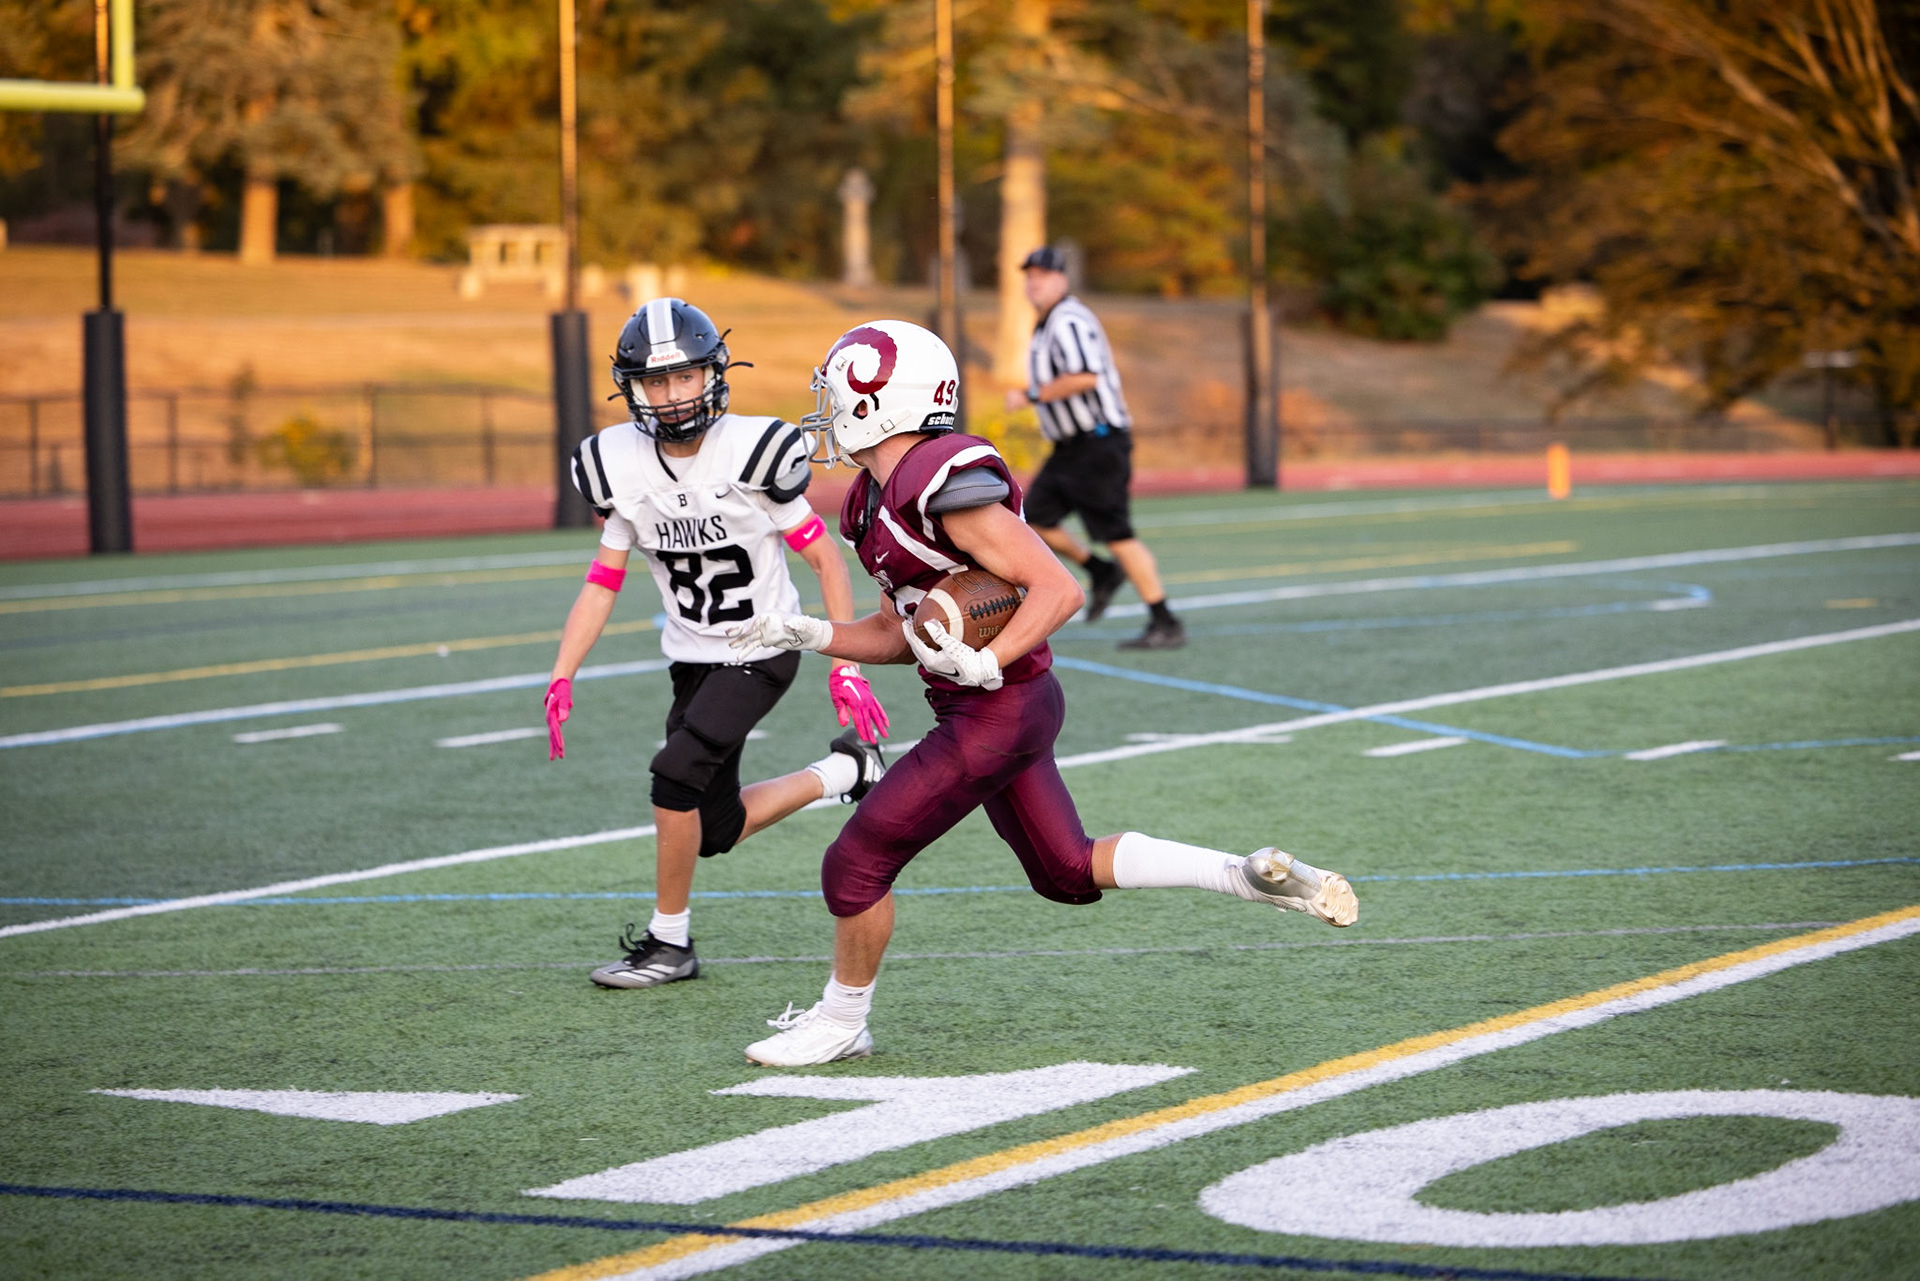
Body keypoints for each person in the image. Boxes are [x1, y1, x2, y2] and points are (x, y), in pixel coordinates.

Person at [726, 320, 1356, 1067]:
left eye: (836, 387)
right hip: (993, 705)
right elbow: (910, 635)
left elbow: (1055, 587)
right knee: (1064, 871)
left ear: (877, 398)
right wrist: (808, 632)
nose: (825, 404)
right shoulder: (870, 503)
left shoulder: (935, 475)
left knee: (856, 860)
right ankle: (1243, 874)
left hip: (999, 707)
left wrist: (992, 662)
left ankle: (842, 1020)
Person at [545, 297, 890, 991]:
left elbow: (825, 561)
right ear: (632, 387)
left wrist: (846, 665)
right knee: (715, 824)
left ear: (713, 375)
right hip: (692, 656)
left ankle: (669, 942)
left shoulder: (751, 452)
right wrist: (562, 673)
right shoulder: (621, 467)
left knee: (672, 775)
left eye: (685, 378)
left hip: (764, 646)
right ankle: (848, 773)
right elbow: (603, 580)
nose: (672, 396)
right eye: (655, 382)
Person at [1003, 245, 1185, 650]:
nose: (1034, 282)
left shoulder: (1068, 320)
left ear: (1062, 278)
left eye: (1043, 274)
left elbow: (1085, 377)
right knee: (1034, 521)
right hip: (1070, 449)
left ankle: (1165, 619)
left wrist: (1031, 395)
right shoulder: (1046, 323)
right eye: (1029, 275)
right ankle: (1101, 571)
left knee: (1118, 534)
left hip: (1097, 444)